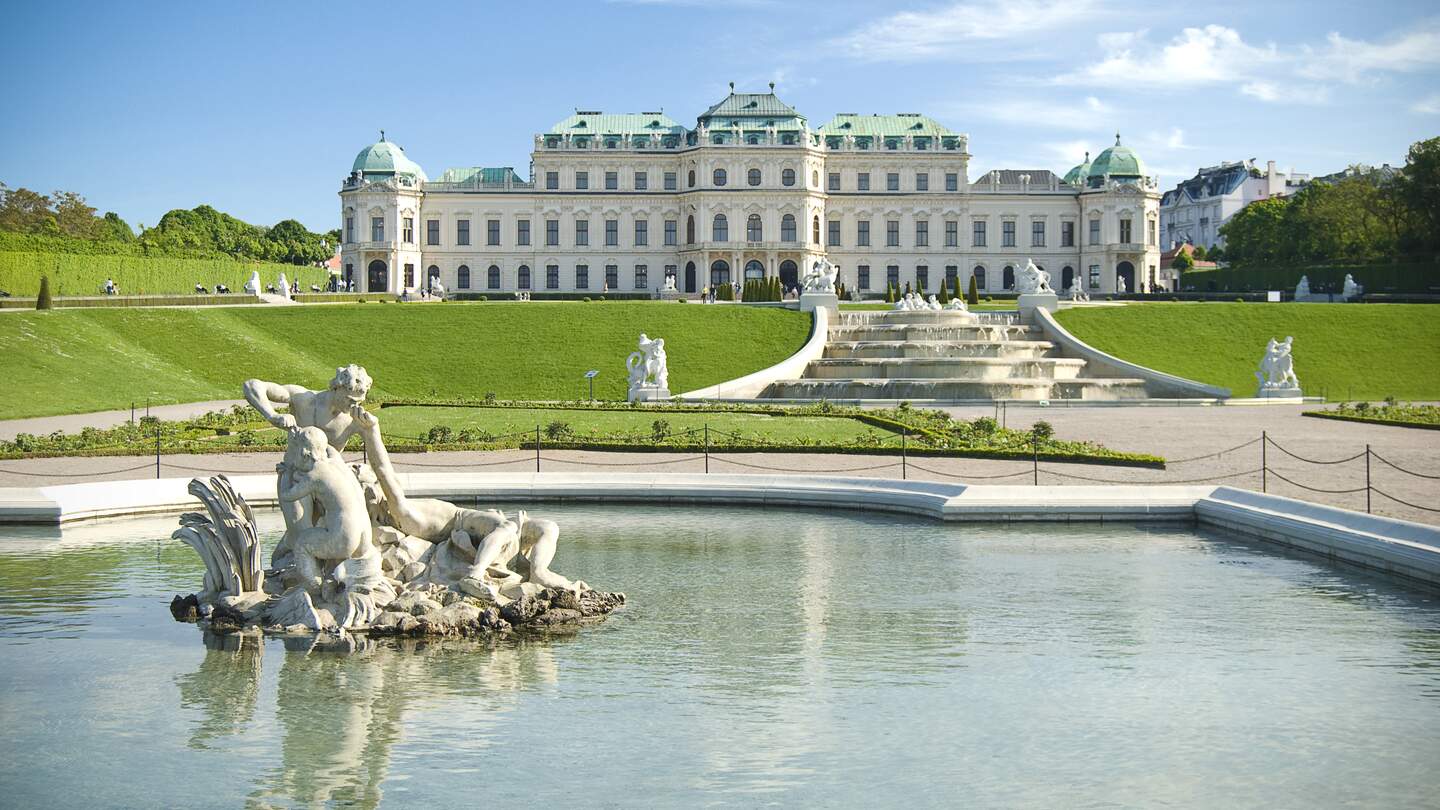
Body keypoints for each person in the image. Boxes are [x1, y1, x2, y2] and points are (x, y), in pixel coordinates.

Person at [349, 407, 582, 595]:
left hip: (472, 521)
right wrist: (372, 432)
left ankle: (539, 570)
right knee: (508, 526)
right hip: (463, 523)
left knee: (548, 527)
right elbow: (383, 470)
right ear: (367, 489)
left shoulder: (396, 503)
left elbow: (383, 474)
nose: (361, 466)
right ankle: (476, 573)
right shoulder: (402, 511)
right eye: (359, 469)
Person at [242, 365, 374, 565]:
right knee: (300, 536)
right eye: (349, 400)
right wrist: (272, 415)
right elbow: (252, 385)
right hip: (296, 477)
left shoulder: (352, 419)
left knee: (337, 541)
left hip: (330, 483)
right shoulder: (304, 399)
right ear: (337, 388)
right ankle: (298, 574)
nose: (352, 406)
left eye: (357, 402)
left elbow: (376, 455)